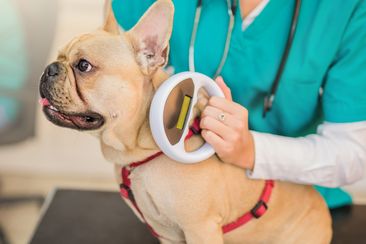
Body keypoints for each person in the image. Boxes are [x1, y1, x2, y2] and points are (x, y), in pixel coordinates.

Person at [112, 0, 366, 208]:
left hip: (293, 209)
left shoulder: (346, 9)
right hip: (173, 200)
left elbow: (352, 153)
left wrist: (250, 151)